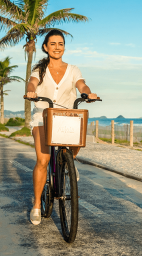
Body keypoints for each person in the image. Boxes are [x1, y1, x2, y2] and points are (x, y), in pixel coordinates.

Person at [26, 29, 98, 225]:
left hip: (66, 117)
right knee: (43, 160)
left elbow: (81, 85)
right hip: (43, 117)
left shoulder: (73, 69)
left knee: (78, 137)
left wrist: (87, 93)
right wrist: (31, 91)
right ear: (45, 47)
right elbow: (32, 84)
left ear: (64, 47)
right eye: (53, 44)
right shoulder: (39, 70)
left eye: (60, 44)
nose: (57, 47)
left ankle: (68, 163)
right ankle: (37, 205)